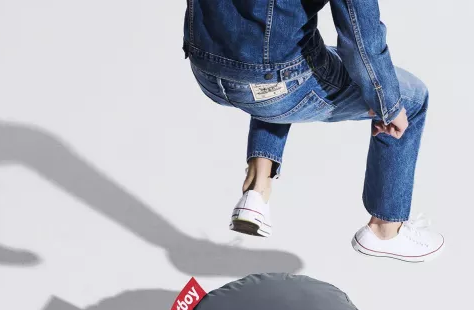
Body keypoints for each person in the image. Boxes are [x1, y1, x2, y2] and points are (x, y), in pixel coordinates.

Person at [182, 0, 444, 262]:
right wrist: (387, 103)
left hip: (207, 70)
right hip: (277, 84)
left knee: (279, 55)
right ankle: (385, 229)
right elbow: (360, 40)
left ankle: (256, 189)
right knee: (412, 98)